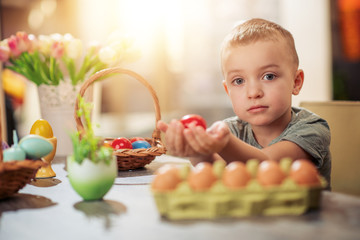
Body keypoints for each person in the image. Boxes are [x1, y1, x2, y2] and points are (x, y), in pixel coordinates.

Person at [157, 18, 331, 187]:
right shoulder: (231, 130)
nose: (254, 92)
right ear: (228, 91)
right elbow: (218, 171)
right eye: (239, 81)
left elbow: (266, 164)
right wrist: (198, 153)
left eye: (269, 76)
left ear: (296, 82)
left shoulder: (312, 128)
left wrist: (224, 143)